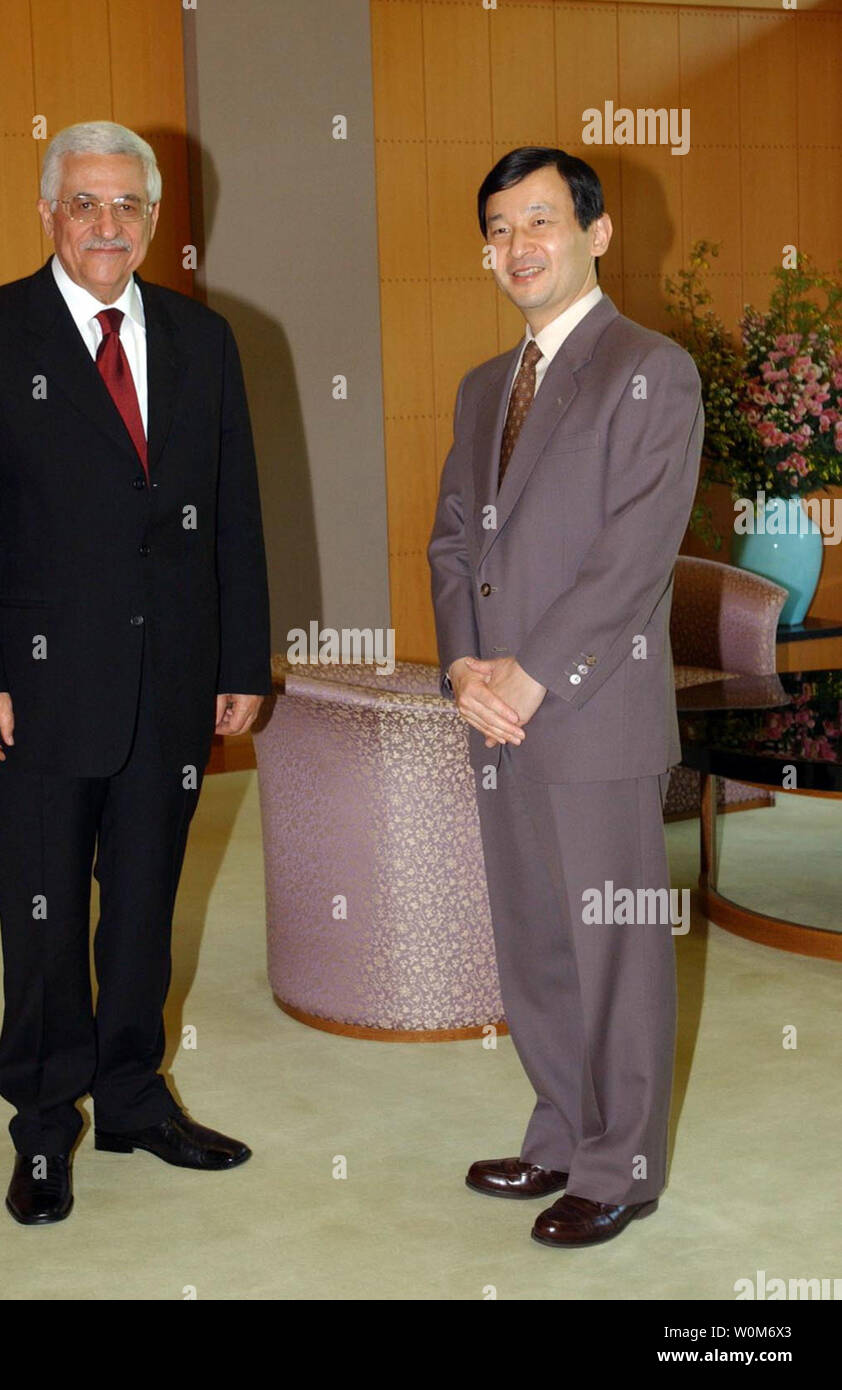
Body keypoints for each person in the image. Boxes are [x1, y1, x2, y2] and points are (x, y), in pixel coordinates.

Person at [0, 120, 271, 1225]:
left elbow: (237, 518)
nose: (107, 225)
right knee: (43, 918)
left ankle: (129, 1096)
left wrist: (240, 658)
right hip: (30, 693)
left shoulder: (205, 341)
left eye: (127, 205)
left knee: (143, 910)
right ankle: (41, 1123)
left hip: (169, 685)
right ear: (49, 214)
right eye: (85, 204)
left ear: (154, 219)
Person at [428, 147, 703, 1248]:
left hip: (592, 711)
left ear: (596, 234)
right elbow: (454, 542)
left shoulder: (653, 368)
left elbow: (633, 557)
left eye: (538, 221)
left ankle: (623, 1163)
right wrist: (463, 669)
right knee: (536, 934)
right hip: (495, 711)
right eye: (497, 229)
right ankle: (559, 1131)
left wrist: (530, 676)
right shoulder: (484, 387)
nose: (515, 247)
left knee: (613, 945)